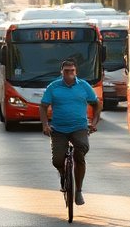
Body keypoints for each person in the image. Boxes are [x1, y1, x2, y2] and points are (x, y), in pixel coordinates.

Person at [39, 59, 101, 206]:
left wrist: (94, 122)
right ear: (62, 72)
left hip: (79, 127)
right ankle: (63, 174)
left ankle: (78, 190)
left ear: (76, 72)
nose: (69, 74)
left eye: (71, 71)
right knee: (57, 160)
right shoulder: (53, 87)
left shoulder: (84, 86)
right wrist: (45, 125)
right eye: (66, 71)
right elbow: (43, 106)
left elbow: (97, 104)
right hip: (59, 129)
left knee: (80, 153)